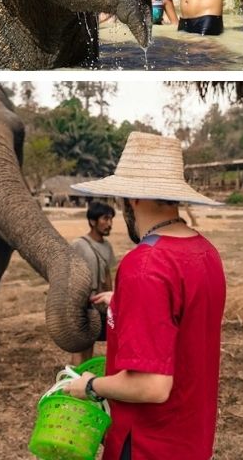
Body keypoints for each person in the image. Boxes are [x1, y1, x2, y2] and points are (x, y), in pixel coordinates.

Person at [63, 132, 227, 460]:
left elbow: (151, 386)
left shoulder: (145, 264)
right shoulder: (205, 251)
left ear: (131, 199)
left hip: (148, 442)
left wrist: (91, 385)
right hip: (191, 435)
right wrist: (125, 301)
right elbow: (182, 316)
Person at [70, 200, 117, 365]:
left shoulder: (108, 246)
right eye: (105, 219)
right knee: (80, 345)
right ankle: (75, 380)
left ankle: (86, 378)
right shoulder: (78, 245)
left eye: (111, 219)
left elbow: (107, 274)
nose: (109, 223)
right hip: (80, 303)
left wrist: (111, 301)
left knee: (93, 342)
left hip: (98, 304)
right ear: (92, 221)